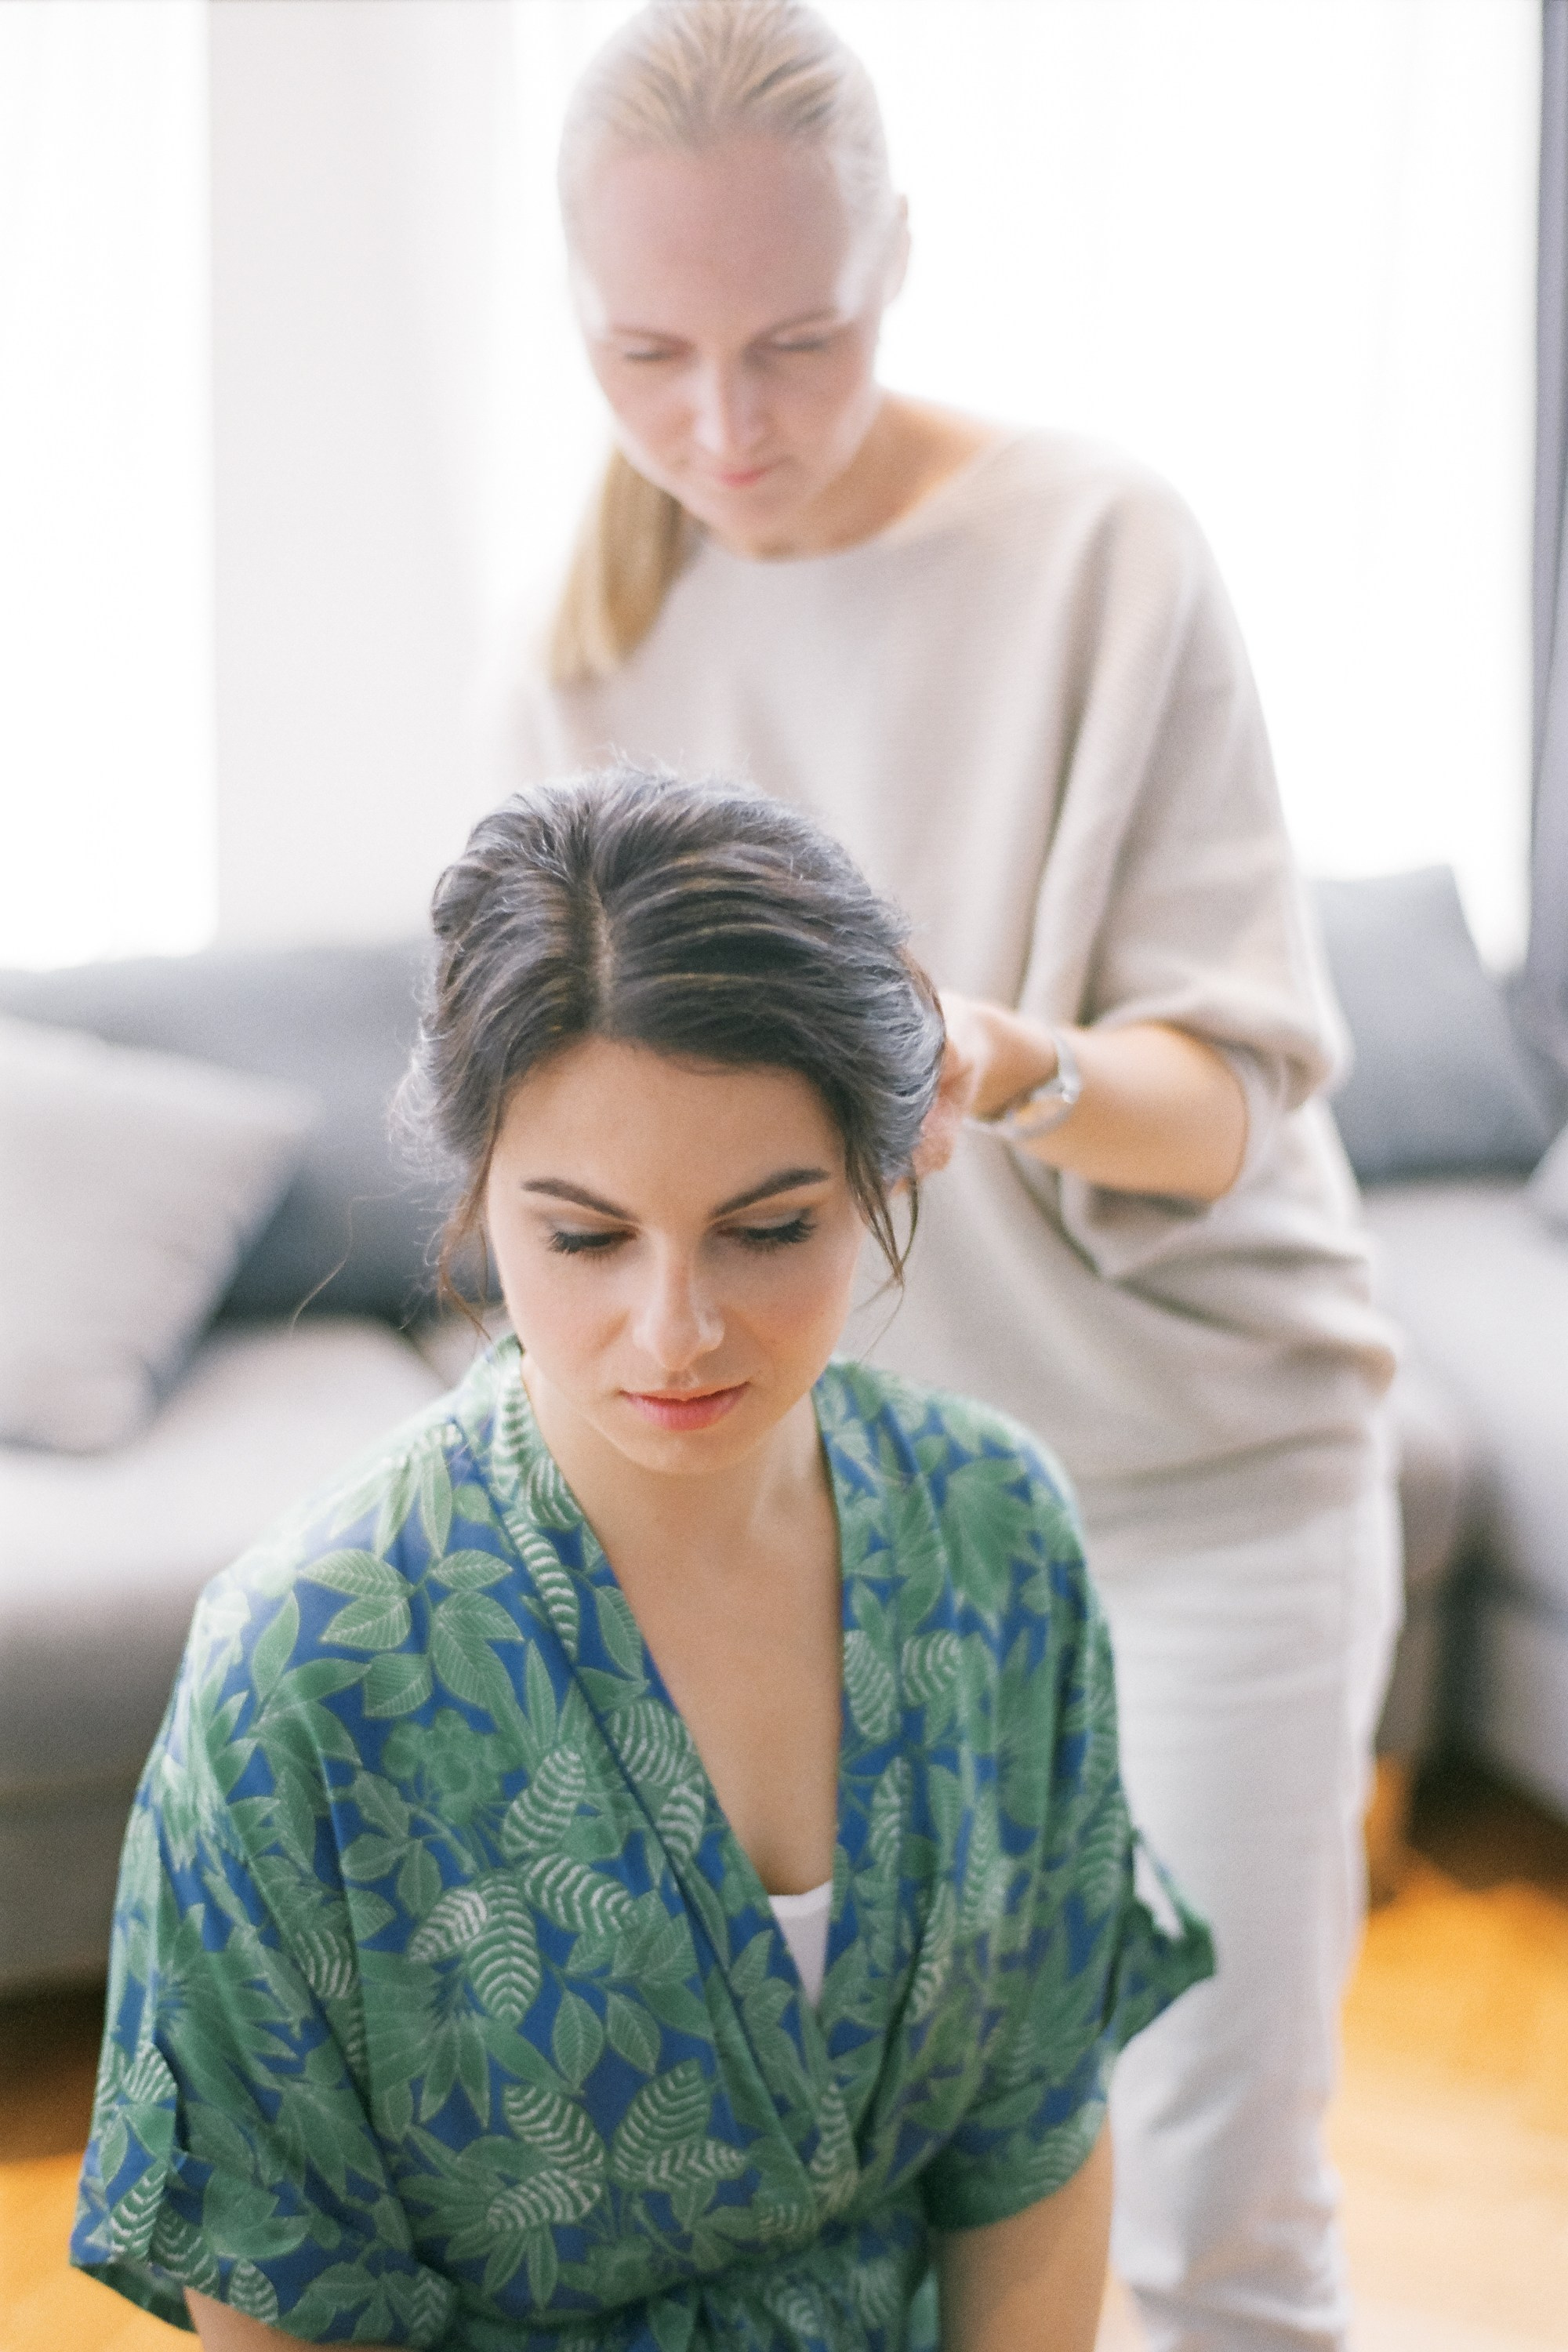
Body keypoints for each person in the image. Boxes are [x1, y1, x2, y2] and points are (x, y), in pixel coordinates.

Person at [501, 9, 1404, 2350]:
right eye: (650, 354)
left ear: (899, 256)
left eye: (798, 340)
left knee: (1211, 2224)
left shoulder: (1099, 549)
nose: (727, 426)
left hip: (1203, 1482)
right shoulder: (596, 642)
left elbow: (1230, 1100)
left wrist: (1000, 1060)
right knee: (890, 2218)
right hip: (862, 1542)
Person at [72, 768, 1210, 2352]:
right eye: (587, 1238)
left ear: (888, 1172)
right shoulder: (305, 1674)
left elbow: (1031, 2144)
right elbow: (287, 2292)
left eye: (769, 1228)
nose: (675, 1333)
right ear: (480, 1196)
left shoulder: (996, 1537)